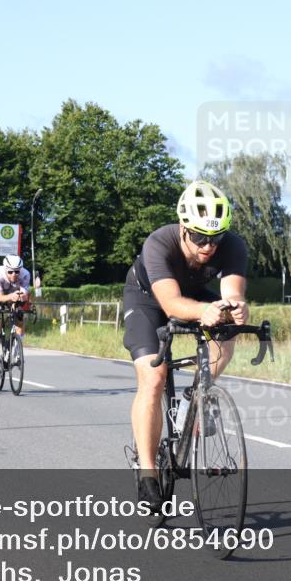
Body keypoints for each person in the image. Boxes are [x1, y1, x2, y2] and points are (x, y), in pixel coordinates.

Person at [122, 180, 249, 509]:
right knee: (154, 376)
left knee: (229, 328)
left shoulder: (233, 246)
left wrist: (236, 307)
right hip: (149, 298)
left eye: (215, 238)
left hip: (193, 295)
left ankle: (197, 394)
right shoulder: (159, 243)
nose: (208, 247)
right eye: (199, 238)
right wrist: (202, 312)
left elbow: (232, 292)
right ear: (183, 229)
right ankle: (147, 473)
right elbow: (170, 303)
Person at [0, 254, 31, 378]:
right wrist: (12, 297)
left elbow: (25, 295)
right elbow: (0, 297)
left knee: (20, 317)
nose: (14, 275)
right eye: (10, 272)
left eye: (17, 272)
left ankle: (17, 350)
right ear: (5, 269)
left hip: (14, 295)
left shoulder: (25, 274)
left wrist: (20, 298)